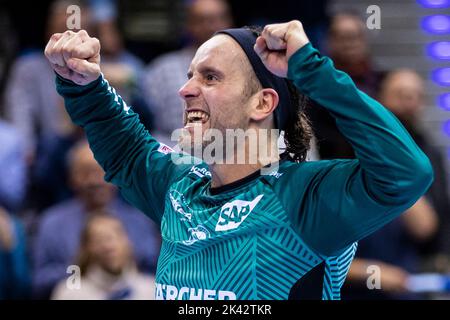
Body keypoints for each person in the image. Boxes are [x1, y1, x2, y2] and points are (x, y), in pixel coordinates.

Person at [44, 20, 433, 300]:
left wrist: (312, 70)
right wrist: (85, 84)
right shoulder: (179, 186)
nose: (185, 90)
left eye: (210, 77)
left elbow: (405, 174)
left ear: (262, 102)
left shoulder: (302, 197)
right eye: (190, 75)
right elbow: (126, 149)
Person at [32, 140, 161, 299]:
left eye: (100, 171)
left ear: (115, 174)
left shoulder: (139, 219)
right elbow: (40, 280)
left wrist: (121, 275)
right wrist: (82, 270)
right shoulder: (52, 222)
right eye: (85, 173)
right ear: (71, 178)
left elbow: (154, 268)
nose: (94, 181)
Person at [143, 0, 233, 145]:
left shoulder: (245, 66)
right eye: (202, 20)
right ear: (188, 25)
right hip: (173, 150)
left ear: (230, 22)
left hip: (230, 149)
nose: (211, 26)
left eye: (218, 19)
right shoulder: (162, 68)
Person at [51, 214, 156, 300]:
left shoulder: (152, 290)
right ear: (86, 249)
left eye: (114, 237)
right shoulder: (70, 294)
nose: (108, 246)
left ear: (128, 242)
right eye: (99, 240)